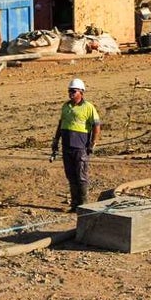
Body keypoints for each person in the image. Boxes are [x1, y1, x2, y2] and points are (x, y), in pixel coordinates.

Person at [50, 77, 102, 212]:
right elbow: (61, 124)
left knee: (81, 177)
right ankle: (74, 205)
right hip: (67, 147)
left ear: (81, 92)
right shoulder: (65, 106)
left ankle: (83, 205)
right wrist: (56, 140)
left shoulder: (88, 107)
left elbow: (96, 126)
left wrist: (93, 143)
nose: (71, 93)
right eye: (69, 91)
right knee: (71, 176)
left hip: (80, 147)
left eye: (74, 91)